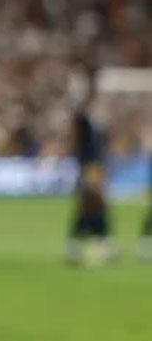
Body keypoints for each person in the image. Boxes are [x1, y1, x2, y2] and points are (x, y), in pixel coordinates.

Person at [66, 85, 116, 266]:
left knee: (90, 208)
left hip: (95, 167)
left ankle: (77, 247)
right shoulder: (83, 121)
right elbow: (79, 142)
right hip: (91, 168)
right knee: (95, 205)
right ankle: (103, 245)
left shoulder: (93, 122)